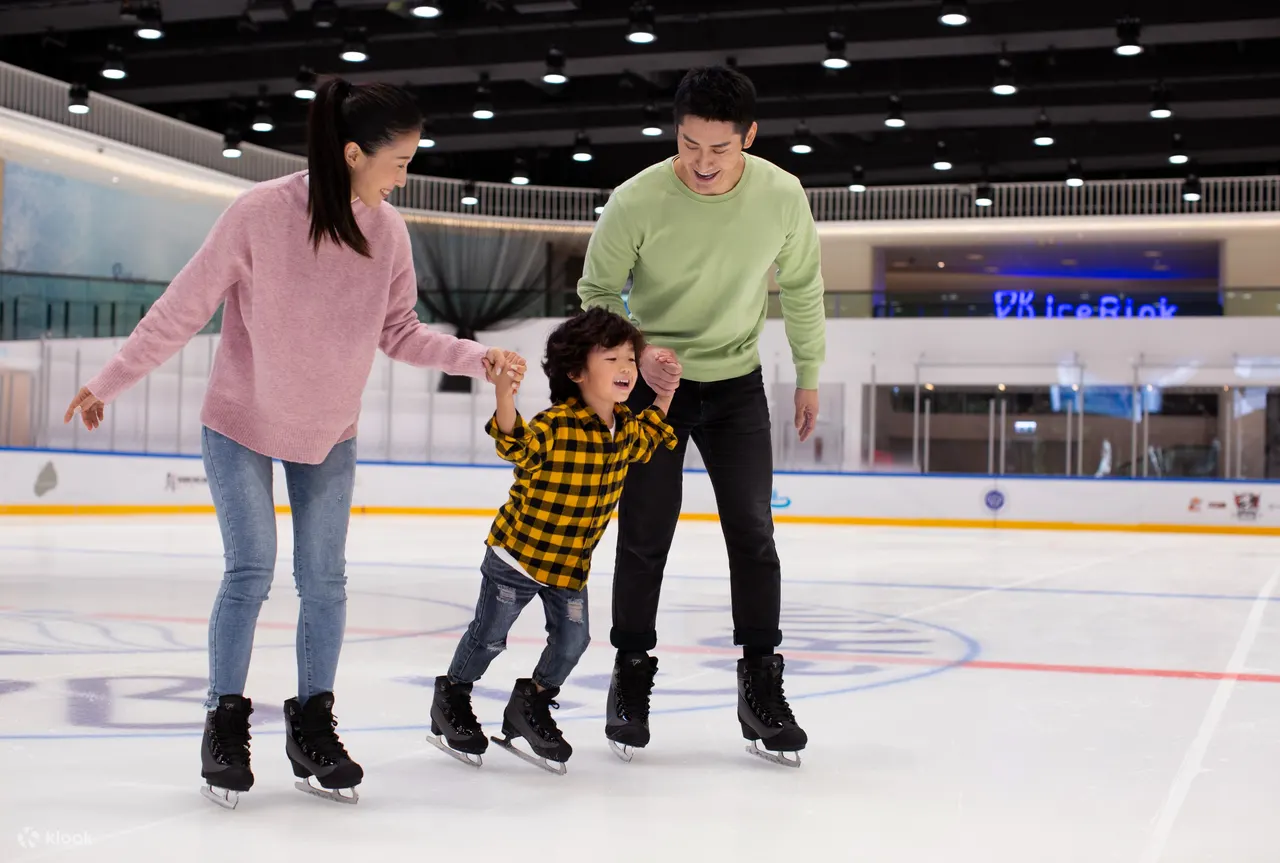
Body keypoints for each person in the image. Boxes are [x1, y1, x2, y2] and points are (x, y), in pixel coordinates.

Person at [62, 77, 526, 807]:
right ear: (351, 153)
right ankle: (223, 719)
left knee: (325, 580)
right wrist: (111, 379)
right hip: (240, 418)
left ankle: (312, 722)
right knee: (250, 569)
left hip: (327, 429)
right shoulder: (258, 214)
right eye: (399, 159)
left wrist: (476, 357)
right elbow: (181, 308)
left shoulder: (388, 232)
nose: (406, 172)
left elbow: (398, 331)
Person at [576, 65, 826, 767]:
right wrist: (638, 352)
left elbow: (802, 285)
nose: (703, 163)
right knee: (644, 533)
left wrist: (808, 372)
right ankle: (630, 676)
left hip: (737, 383)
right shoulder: (636, 199)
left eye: (719, 149)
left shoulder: (780, 195)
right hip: (653, 391)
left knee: (752, 532)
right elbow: (595, 289)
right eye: (689, 145)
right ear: (675, 133)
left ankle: (760, 685)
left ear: (749, 135)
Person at [425, 306, 678, 774]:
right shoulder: (557, 423)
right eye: (611, 360)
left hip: (569, 566)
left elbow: (651, 437)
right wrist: (505, 393)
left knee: (573, 641)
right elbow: (514, 444)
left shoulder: (623, 428)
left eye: (629, 359)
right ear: (578, 372)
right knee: (489, 638)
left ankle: (532, 702)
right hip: (517, 558)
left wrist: (663, 394)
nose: (625, 369)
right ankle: (453, 697)